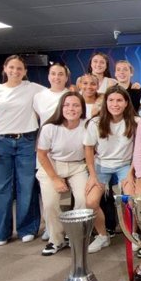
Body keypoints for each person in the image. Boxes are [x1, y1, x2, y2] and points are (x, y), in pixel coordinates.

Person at [0, 55, 45, 245]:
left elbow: (56, 93)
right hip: (2, 142)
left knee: (27, 187)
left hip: (27, 141)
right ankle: (2, 232)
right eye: (12, 67)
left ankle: (27, 228)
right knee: (0, 189)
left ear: (25, 71)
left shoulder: (33, 88)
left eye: (19, 68)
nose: (15, 71)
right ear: (5, 68)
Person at [83, 86, 138, 253]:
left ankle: (133, 233)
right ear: (105, 102)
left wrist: (130, 174)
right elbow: (88, 149)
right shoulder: (95, 123)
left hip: (125, 165)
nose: (115, 104)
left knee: (131, 198)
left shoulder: (135, 122)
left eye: (119, 100)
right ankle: (102, 236)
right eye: (111, 100)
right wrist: (92, 176)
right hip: (101, 166)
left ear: (126, 103)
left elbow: (138, 150)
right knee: (91, 201)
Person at [36, 92, 88, 256]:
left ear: (82, 109)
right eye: (67, 105)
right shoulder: (49, 127)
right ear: (61, 107)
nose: (71, 109)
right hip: (52, 166)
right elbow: (42, 155)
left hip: (78, 166)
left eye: (76, 105)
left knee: (83, 199)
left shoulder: (88, 125)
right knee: (50, 204)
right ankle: (56, 240)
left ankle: (76, 236)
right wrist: (55, 179)